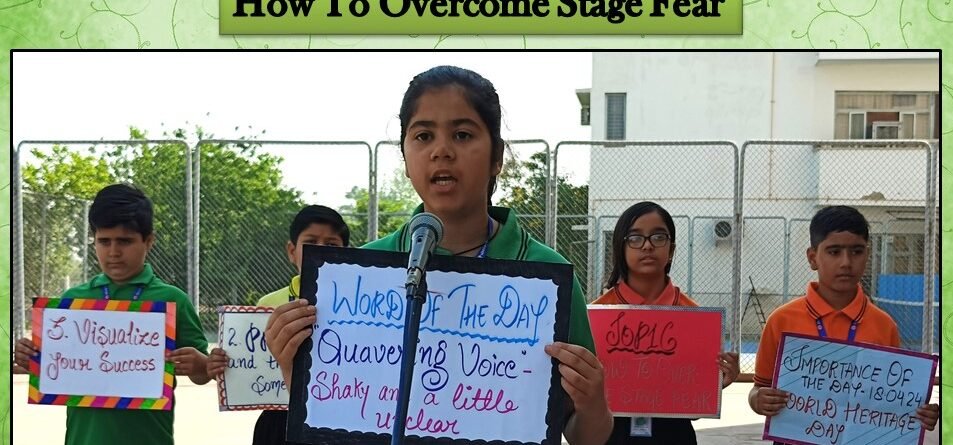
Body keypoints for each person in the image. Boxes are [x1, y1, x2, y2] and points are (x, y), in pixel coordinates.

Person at [264, 65, 613, 445]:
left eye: (462, 134)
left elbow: (583, 435)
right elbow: (333, 421)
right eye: (423, 135)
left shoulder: (548, 275)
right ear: (405, 155)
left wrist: (593, 405)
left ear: (496, 156)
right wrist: (295, 372)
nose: (441, 151)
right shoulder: (357, 275)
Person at [12, 183, 210, 445]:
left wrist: (201, 364)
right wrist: (32, 358)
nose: (114, 252)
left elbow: (201, 374)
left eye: (125, 241)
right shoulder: (71, 303)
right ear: (94, 240)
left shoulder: (173, 301)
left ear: (148, 241)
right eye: (104, 241)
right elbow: (55, 370)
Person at [748, 205, 940, 439]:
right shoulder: (781, 320)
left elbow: (893, 402)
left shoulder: (884, 325)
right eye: (834, 252)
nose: (846, 262)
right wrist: (758, 400)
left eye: (856, 251)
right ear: (812, 258)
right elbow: (759, 388)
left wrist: (920, 414)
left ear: (867, 255)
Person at [594, 201, 740, 445]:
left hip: (675, 436)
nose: (648, 245)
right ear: (621, 247)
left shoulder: (695, 318)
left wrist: (715, 385)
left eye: (658, 237)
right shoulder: (598, 314)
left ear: (671, 250)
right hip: (611, 435)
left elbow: (693, 410)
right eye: (635, 238)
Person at [205, 205, 350, 445]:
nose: (320, 250)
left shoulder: (357, 306)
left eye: (331, 244)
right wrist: (222, 366)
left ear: (347, 253)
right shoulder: (267, 305)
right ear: (292, 251)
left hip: (334, 416)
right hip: (278, 420)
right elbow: (247, 366)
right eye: (310, 242)